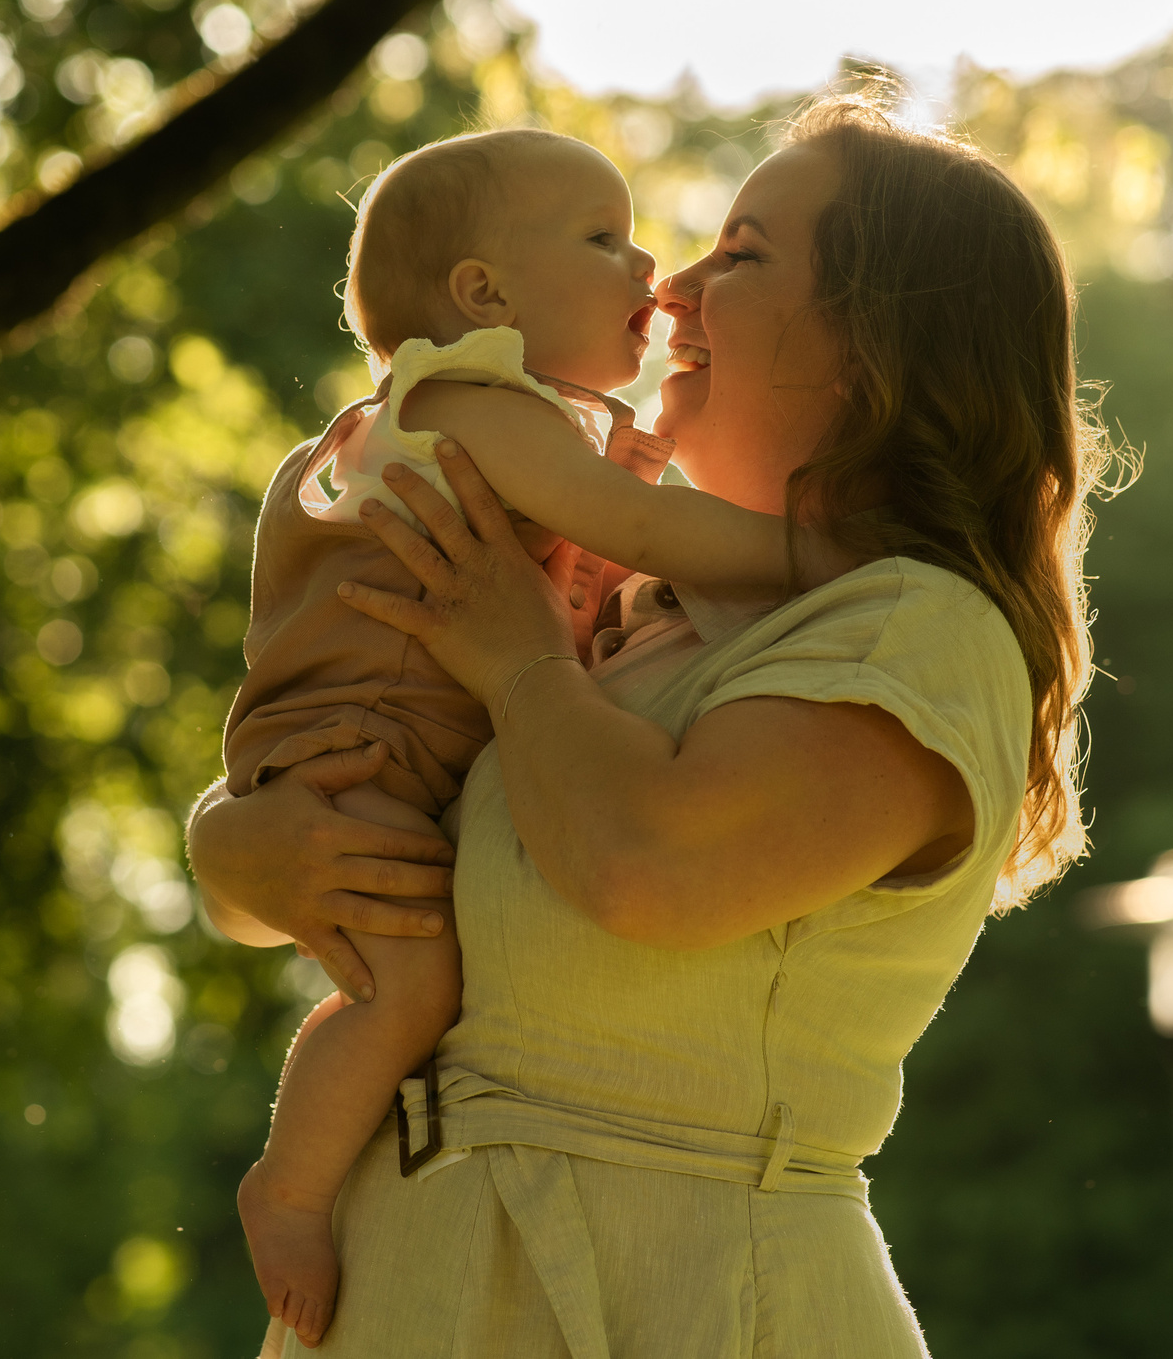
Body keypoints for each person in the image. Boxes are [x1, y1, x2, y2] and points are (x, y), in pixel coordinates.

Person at [190, 90, 1111, 1354]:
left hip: (675, 1304)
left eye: (738, 256)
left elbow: (645, 864)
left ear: (880, 336)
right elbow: (366, 841)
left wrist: (518, 662)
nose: (668, 287)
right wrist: (231, 851)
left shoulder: (914, 628)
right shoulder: (621, 608)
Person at [224, 126, 840, 1344]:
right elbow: (628, 529)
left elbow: (581, 571)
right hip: (362, 750)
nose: (649, 270)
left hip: (391, 755)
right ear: (482, 295)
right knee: (410, 983)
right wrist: (818, 557)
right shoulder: (458, 402)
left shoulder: (511, 430)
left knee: (412, 972)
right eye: (604, 240)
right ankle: (286, 1187)